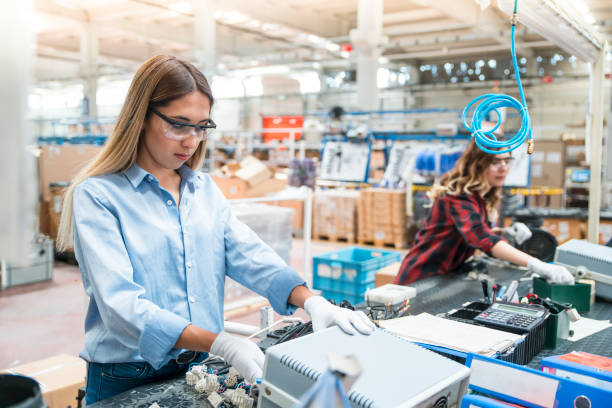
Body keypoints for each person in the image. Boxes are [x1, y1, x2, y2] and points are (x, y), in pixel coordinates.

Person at [56, 55, 375, 404]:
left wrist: (312, 301)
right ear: (141, 117)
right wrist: (219, 343)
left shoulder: (202, 189)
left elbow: (249, 256)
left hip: (198, 368)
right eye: (178, 125)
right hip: (126, 378)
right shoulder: (100, 196)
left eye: (201, 126)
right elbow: (122, 307)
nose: (191, 141)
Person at [394, 140, 574, 286]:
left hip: (440, 278)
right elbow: (481, 238)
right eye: (495, 162)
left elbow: (475, 232)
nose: (503, 168)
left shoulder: (479, 196)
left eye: (506, 161)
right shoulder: (457, 197)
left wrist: (505, 233)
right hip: (419, 279)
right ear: (477, 164)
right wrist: (538, 265)